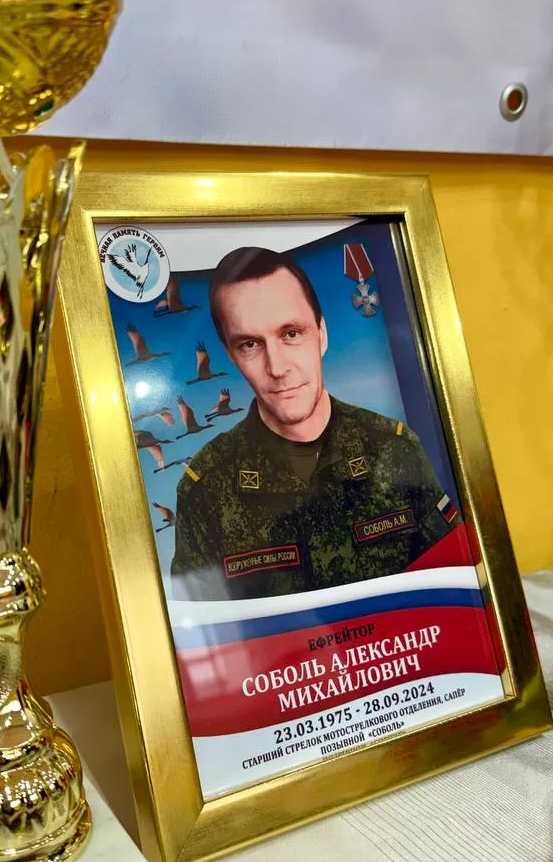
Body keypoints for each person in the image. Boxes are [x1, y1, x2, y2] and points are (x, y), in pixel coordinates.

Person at [170, 247, 457, 600]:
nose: (277, 367)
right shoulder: (204, 491)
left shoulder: (394, 448)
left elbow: (456, 584)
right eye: (250, 344)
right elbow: (202, 625)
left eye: (291, 333)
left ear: (321, 334)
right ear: (231, 355)